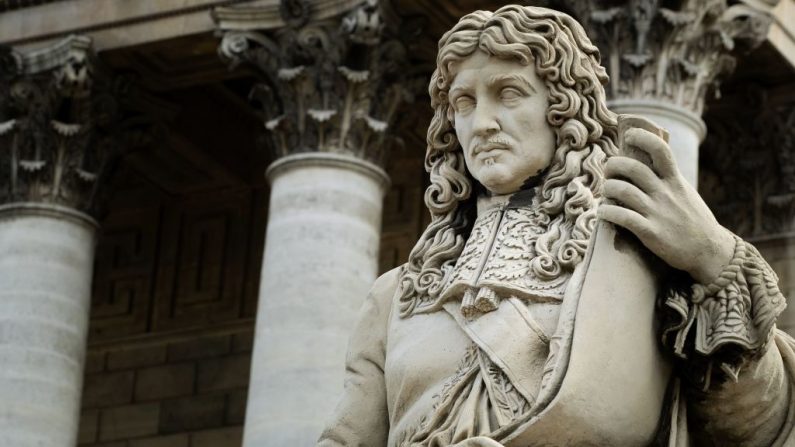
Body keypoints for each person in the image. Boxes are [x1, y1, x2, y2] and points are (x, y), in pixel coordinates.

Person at [318, 5, 795, 446]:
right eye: (463, 102)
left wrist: (715, 261)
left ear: (563, 109)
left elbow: (763, 427)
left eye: (508, 93)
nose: (482, 123)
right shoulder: (395, 297)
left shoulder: (638, 264)